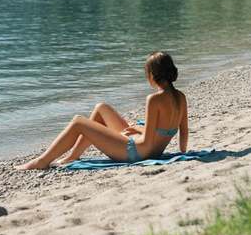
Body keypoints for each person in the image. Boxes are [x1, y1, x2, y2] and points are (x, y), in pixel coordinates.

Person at [14, 52, 189, 170]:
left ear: (152, 74)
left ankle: (41, 162)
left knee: (78, 122)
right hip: (149, 150)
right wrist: (182, 154)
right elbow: (184, 132)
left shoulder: (154, 99)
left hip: (135, 152)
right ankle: (73, 156)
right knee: (101, 108)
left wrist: (137, 129)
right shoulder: (180, 97)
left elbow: (148, 139)